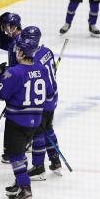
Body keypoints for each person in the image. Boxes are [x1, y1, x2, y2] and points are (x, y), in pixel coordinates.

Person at [0, 33, 55, 199]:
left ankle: (25, 191)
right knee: (20, 153)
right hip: (35, 121)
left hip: (17, 122)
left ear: (20, 52)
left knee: (16, 155)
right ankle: (20, 182)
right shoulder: (41, 69)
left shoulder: (14, 72)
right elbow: (49, 91)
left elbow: (0, 93)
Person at [20, 26, 62, 180]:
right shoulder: (47, 51)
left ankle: (38, 167)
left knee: (38, 132)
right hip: (53, 96)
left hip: (42, 99)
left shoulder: (33, 59)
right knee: (48, 128)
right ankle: (55, 160)